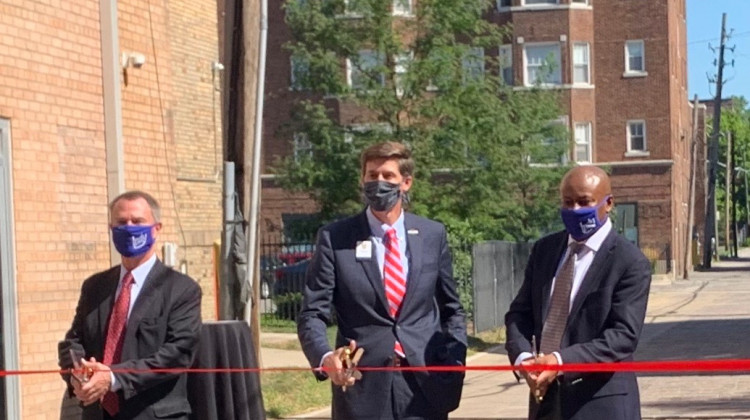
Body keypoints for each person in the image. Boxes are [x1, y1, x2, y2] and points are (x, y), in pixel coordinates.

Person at [298, 141, 467, 420]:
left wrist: (454, 361)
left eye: (388, 176)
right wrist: (325, 357)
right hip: (363, 387)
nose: (379, 182)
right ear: (362, 179)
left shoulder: (431, 234)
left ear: (406, 182)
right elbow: (312, 313)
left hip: (425, 387)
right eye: (372, 175)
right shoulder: (335, 238)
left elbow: (452, 309)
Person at [505, 165, 651, 420]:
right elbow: (519, 314)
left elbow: (623, 336)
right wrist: (524, 359)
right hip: (546, 402)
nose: (574, 211)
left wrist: (560, 361)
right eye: (567, 202)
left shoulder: (629, 262)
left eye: (584, 202)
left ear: (608, 204)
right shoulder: (545, 250)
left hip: (601, 404)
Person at [59, 191, 202, 420]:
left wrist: (114, 378)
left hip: (152, 414)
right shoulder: (94, 287)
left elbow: (178, 353)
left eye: (137, 221)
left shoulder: (181, 289)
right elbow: (73, 342)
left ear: (157, 228)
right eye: (121, 222)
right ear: (111, 228)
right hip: (96, 412)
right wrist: (79, 374)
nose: (129, 227)